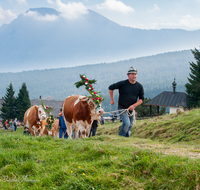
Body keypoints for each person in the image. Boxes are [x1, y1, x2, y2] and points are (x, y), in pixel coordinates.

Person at [108, 66, 144, 137]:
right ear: (128, 75)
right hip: (122, 107)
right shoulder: (123, 84)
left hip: (132, 109)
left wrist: (134, 106)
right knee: (126, 123)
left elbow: (141, 99)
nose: (134, 76)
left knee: (130, 125)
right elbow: (111, 87)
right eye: (132, 74)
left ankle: (126, 139)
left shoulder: (139, 86)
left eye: (135, 74)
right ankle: (120, 137)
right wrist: (112, 99)